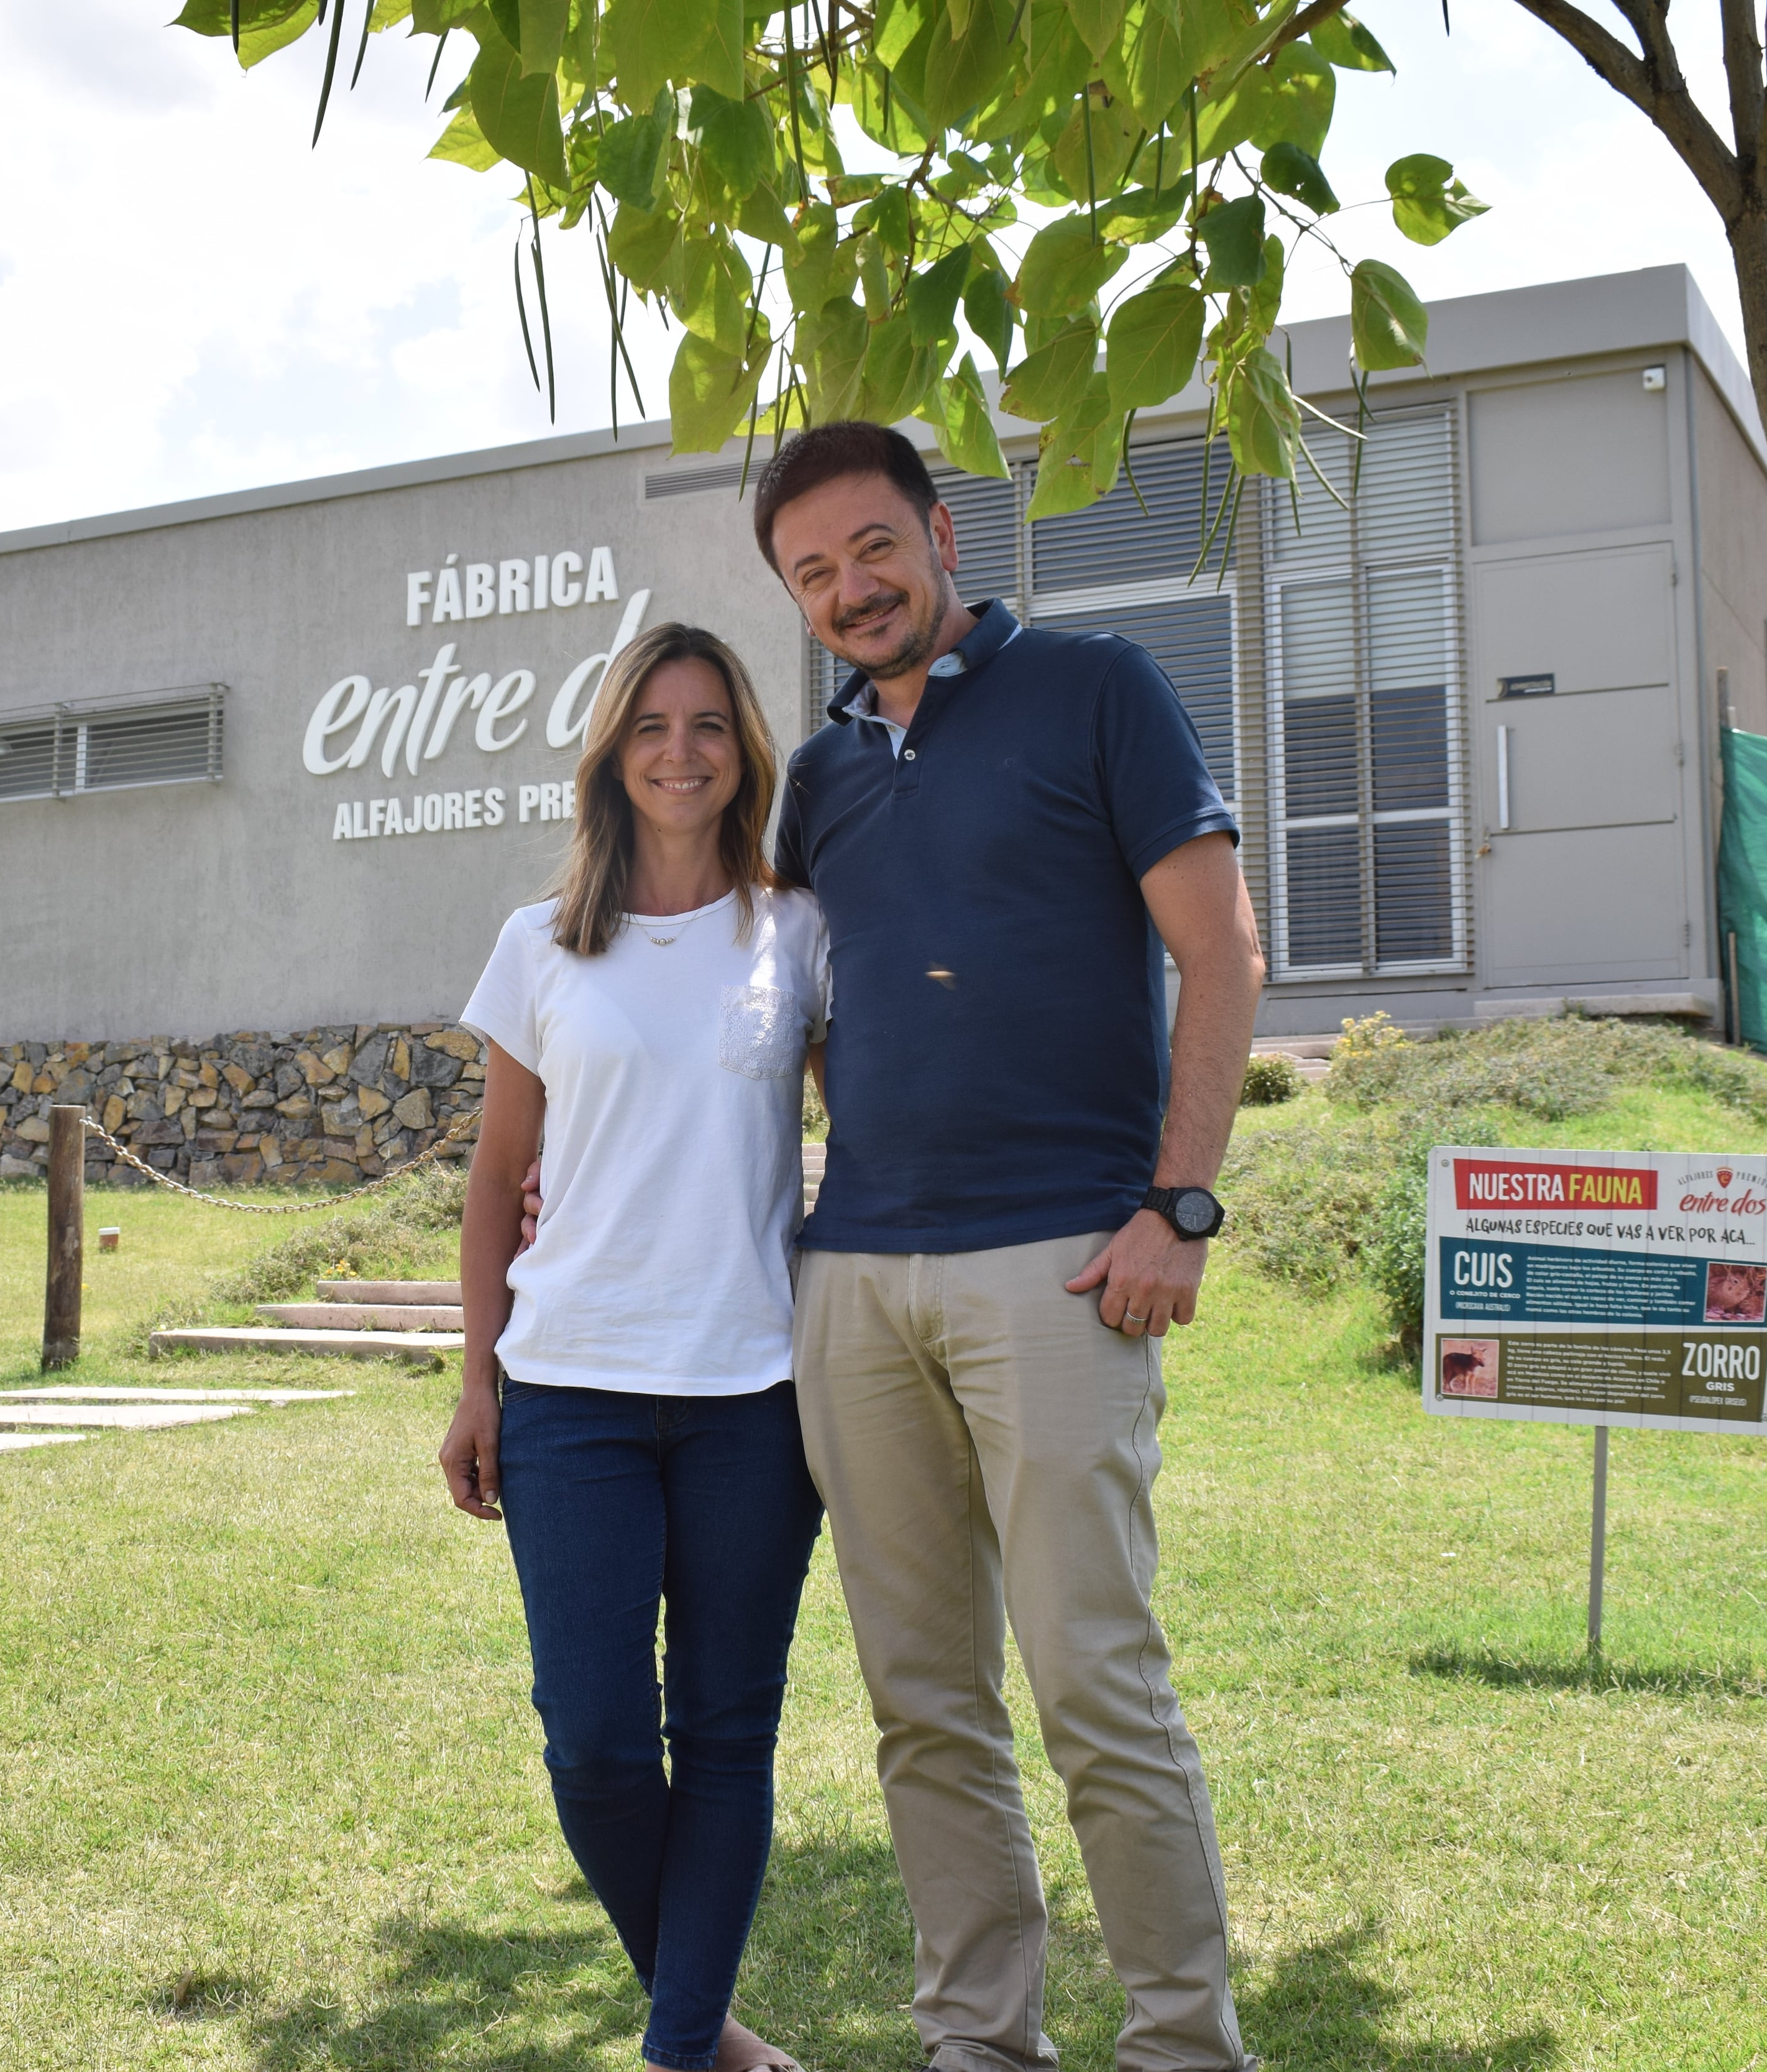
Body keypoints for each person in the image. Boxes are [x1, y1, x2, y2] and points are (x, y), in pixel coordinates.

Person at [761, 420, 1270, 2072]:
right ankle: (980, 2037)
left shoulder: (1101, 685)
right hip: (856, 1279)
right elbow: (802, 1016)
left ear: (941, 533)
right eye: (814, 571)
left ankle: (1183, 2042)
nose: (853, 588)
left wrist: (1178, 1202)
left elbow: (1226, 952)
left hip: (1063, 1257)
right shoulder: (822, 775)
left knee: (1094, 1684)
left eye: (872, 548)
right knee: (924, 1701)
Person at [439, 621, 831, 2072]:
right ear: (613, 747)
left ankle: (679, 2050)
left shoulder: (796, 931)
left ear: (745, 751)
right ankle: (707, 2029)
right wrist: (476, 1376)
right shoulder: (539, 941)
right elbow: (494, 1179)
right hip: (569, 1395)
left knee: (725, 1733)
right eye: (653, 724)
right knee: (596, 1742)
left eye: (711, 724)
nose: (682, 749)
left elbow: (871, 1124)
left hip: (752, 1396)